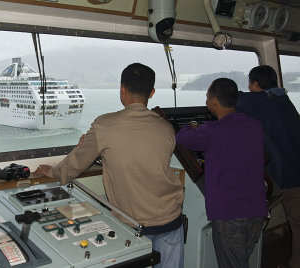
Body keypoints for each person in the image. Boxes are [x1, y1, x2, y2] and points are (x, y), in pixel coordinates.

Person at [33, 63, 185, 268]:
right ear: (152, 92)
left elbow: (76, 163)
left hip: (134, 225)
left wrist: (51, 171)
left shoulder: (104, 125)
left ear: (122, 90)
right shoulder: (166, 128)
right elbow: (145, 159)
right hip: (171, 220)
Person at [176, 78, 268, 268]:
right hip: (256, 211)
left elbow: (182, 138)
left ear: (215, 101)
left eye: (207, 97)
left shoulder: (211, 131)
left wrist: (190, 126)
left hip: (230, 214)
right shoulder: (254, 125)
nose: (206, 101)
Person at [236, 65, 300, 268]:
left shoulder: (260, 100)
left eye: (250, 83)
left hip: (284, 177)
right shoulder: (284, 100)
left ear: (255, 84)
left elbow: (232, 97)